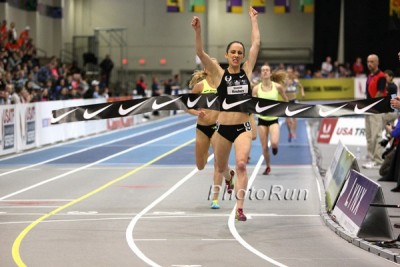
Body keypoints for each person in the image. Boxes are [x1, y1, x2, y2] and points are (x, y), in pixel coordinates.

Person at [191, 6, 260, 221]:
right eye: (234, 52)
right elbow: (200, 53)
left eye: (240, 52)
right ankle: (228, 178)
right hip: (222, 130)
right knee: (220, 167)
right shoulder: (220, 74)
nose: (237, 55)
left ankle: (239, 208)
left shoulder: (247, 71)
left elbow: (256, 44)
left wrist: (254, 20)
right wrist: (198, 31)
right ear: (227, 55)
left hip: (242, 128)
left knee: (241, 164)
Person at [187, 62, 235, 209]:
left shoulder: (224, 86)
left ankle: (215, 199)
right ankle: (229, 176)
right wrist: (196, 112)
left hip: (218, 128)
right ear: (206, 70)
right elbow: (187, 105)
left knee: (218, 164)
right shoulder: (200, 86)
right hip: (202, 128)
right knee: (200, 166)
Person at [252, 64, 288, 175]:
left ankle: (274, 147)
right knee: (264, 146)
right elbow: (252, 104)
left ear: (270, 73)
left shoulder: (277, 87)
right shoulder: (256, 89)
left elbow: (285, 100)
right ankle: (268, 166)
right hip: (262, 120)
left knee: (274, 143)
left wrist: (287, 114)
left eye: (267, 70)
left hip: (273, 119)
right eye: (263, 70)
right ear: (260, 74)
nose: (265, 72)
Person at [362, 54, 387, 169]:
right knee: (369, 135)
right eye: (368, 61)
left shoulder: (381, 76)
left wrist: (371, 106)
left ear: (377, 63)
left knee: (376, 135)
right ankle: (370, 157)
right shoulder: (369, 76)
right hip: (368, 109)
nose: (369, 64)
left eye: (372, 61)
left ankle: (378, 160)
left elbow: (380, 94)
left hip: (376, 110)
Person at [285, 66, 305, 142]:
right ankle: (289, 132)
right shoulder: (284, 81)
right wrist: (287, 85)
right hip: (287, 102)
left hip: (294, 101)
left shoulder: (295, 81)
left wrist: (302, 93)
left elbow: (301, 86)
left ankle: (293, 132)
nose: (289, 74)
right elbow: (282, 91)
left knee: (295, 119)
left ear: (292, 73)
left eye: (290, 72)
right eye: (288, 72)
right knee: (287, 121)